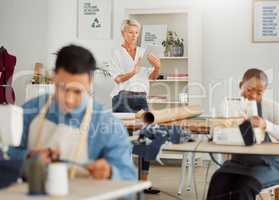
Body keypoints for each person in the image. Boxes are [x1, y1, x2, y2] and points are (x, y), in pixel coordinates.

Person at [8, 44, 137, 181]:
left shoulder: (108, 124)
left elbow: (129, 179)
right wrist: (27, 157)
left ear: (90, 83)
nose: (69, 100)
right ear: (54, 76)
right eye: (63, 88)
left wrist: (111, 173)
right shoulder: (29, 111)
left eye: (77, 91)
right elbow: (4, 153)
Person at [207, 68, 279, 200]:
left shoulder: (271, 107)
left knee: (245, 187)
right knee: (218, 181)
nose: (253, 96)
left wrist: (266, 125)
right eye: (249, 90)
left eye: (259, 93)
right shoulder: (230, 106)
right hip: (238, 163)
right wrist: (227, 124)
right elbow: (216, 131)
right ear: (241, 85)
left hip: (268, 165)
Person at [109, 19, 161, 194]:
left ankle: (144, 183)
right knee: (124, 141)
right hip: (122, 98)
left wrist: (157, 67)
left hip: (141, 98)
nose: (134, 36)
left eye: (136, 33)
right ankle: (124, 183)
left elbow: (151, 77)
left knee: (148, 136)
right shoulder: (116, 53)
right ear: (123, 33)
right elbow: (117, 79)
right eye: (130, 32)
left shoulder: (142, 52)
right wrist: (133, 72)